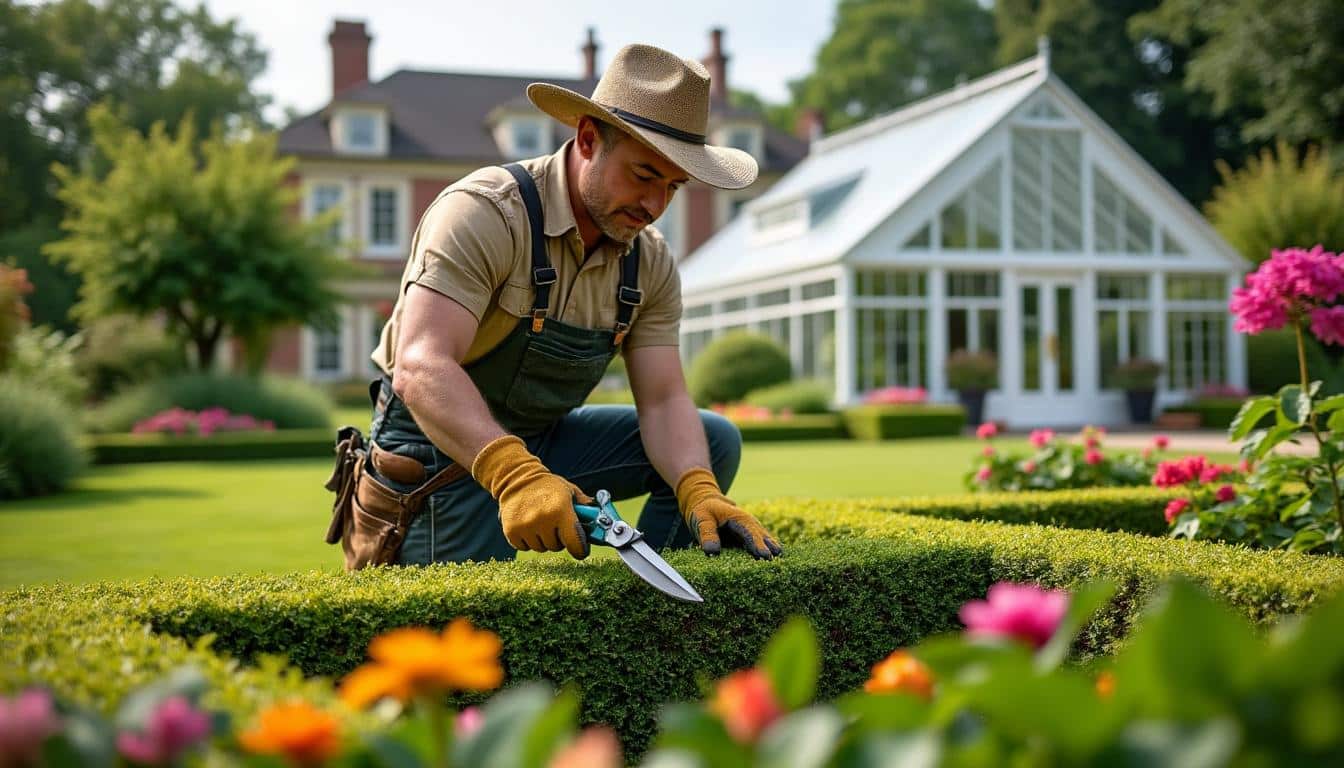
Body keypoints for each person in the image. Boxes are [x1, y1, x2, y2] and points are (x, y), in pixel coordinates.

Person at [365, 43, 782, 566]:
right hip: (434, 449)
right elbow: (420, 364)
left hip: (542, 438)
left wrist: (698, 487)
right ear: (588, 138)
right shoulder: (486, 212)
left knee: (713, 442)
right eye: (644, 175)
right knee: (470, 636)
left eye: (673, 187)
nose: (655, 206)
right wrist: (516, 475)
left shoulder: (650, 262)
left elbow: (663, 399)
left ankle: (652, 609)